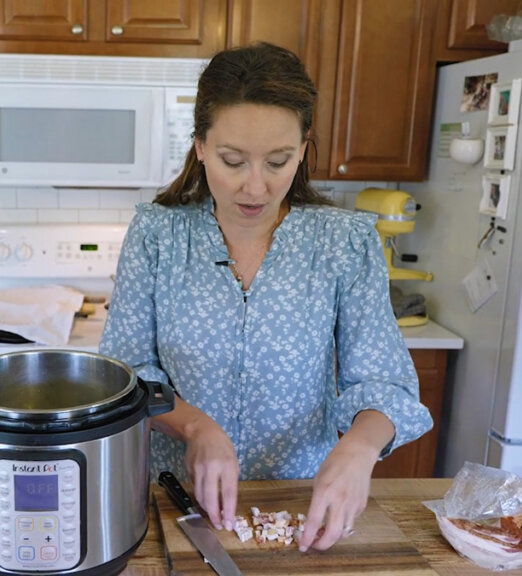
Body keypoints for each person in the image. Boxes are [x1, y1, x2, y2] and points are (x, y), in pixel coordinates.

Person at [98, 42, 432, 553]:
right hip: (176, 500)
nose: (255, 187)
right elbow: (126, 372)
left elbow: (384, 383)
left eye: (278, 161)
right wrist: (196, 427)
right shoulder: (157, 236)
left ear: (302, 149)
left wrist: (360, 448)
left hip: (302, 503)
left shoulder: (344, 243)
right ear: (201, 146)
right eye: (233, 160)